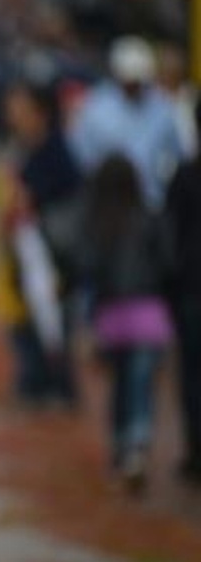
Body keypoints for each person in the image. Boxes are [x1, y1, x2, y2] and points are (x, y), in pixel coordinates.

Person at [71, 154, 174, 493]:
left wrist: (87, 319)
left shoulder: (97, 221)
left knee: (119, 386)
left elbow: (86, 268)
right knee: (141, 384)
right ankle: (137, 446)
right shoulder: (150, 217)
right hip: (149, 315)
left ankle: (119, 448)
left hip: (112, 317)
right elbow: (168, 263)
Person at [0, 78, 82, 409]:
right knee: (23, 317)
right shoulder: (22, 147)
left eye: (20, 107)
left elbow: (56, 197)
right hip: (22, 249)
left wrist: (28, 200)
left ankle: (57, 388)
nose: (12, 113)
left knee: (52, 322)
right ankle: (33, 383)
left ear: (40, 112)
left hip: (53, 254)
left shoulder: (56, 152)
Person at [67, 35, 184, 211]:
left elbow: (176, 155)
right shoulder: (95, 107)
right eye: (128, 81)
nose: (133, 86)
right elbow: (82, 156)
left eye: (137, 81)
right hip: (106, 203)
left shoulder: (162, 108)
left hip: (151, 202)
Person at [164, 136, 201, 485]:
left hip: (190, 287)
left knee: (191, 373)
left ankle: (195, 450)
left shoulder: (185, 175)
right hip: (189, 287)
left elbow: (170, 233)